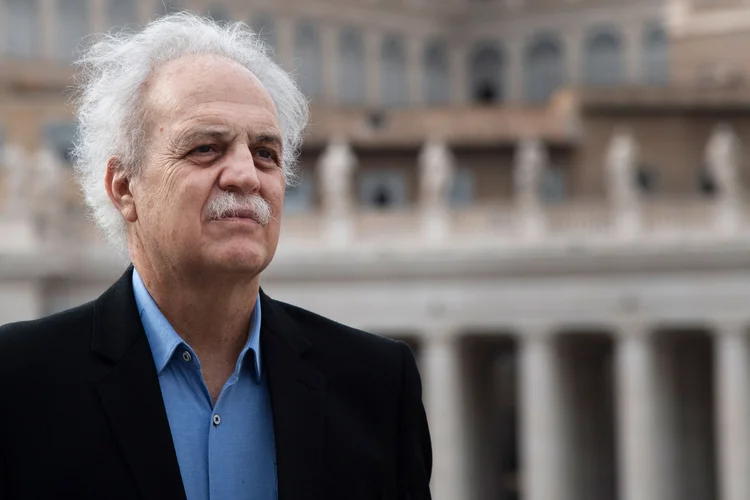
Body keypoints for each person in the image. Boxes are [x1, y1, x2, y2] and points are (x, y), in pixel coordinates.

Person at [0, 13, 432, 500]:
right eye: (207, 148)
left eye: (266, 153)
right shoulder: (17, 382)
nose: (247, 175)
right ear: (124, 187)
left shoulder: (376, 385)